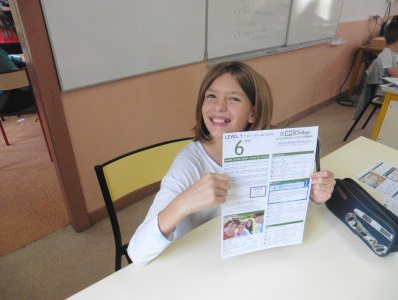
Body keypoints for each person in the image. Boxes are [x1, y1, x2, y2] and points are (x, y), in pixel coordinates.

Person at [127, 61, 336, 265]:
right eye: (211, 96)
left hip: (256, 255)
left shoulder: (274, 147)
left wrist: (314, 194)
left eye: (233, 99)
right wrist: (184, 202)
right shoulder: (189, 164)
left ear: (253, 113)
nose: (218, 106)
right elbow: (137, 252)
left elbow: (287, 205)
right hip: (204, 262)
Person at [354, 21, 398, 119]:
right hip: (383, 93)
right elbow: (395, 72)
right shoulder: (386, 54)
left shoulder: (395, 53)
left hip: (391, 89)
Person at [0, 47, 34, 114]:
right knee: (45, 86)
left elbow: (6, 57)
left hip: (4, 96)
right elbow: (20, 82)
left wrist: (19, 59)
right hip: (5, 102)